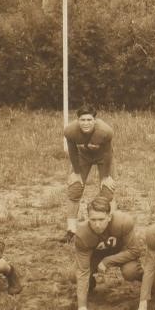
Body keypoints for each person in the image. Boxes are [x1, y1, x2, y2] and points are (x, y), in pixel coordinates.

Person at [72, 196, 145, 310]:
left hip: (122, 252)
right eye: (93, 219)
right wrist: (81, 307)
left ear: (109, 217)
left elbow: (135, 251)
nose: (97, 224)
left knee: (130, 271)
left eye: (101, 219)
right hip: (96, 255)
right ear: (87, 218)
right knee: (74, 274)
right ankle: (90, 288)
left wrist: (107, 261)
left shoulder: (123, 222)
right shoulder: (82, 234)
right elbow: (82, 271)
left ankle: (147, 283)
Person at [62, 104, 115, 243]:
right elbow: (72, 151)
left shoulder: (105, 131)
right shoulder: (70, 131)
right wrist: (76, 172)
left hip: (103, 158)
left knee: (107, 191)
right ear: (78, 120)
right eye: (82, 120)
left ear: (95, 120)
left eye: (89, 120)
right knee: (74, 189)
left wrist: (105, 176)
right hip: (83, 157)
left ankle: (108, 229)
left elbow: (108, 153)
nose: (86, 123)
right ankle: (71, 230)